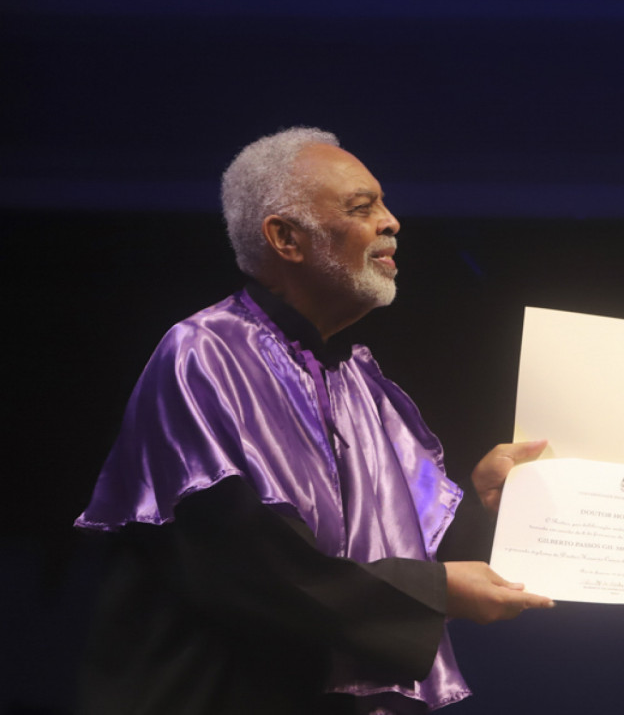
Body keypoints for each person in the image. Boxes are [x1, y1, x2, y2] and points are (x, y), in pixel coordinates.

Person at [74, 127, 554, 714]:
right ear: (285, 238)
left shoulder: (359, 381)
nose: (391, 220)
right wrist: (437, 593)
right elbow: (244, 565)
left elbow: (404, 548)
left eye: (383, 202)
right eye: (362, 207)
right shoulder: (204, 354)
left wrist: (484, 502)